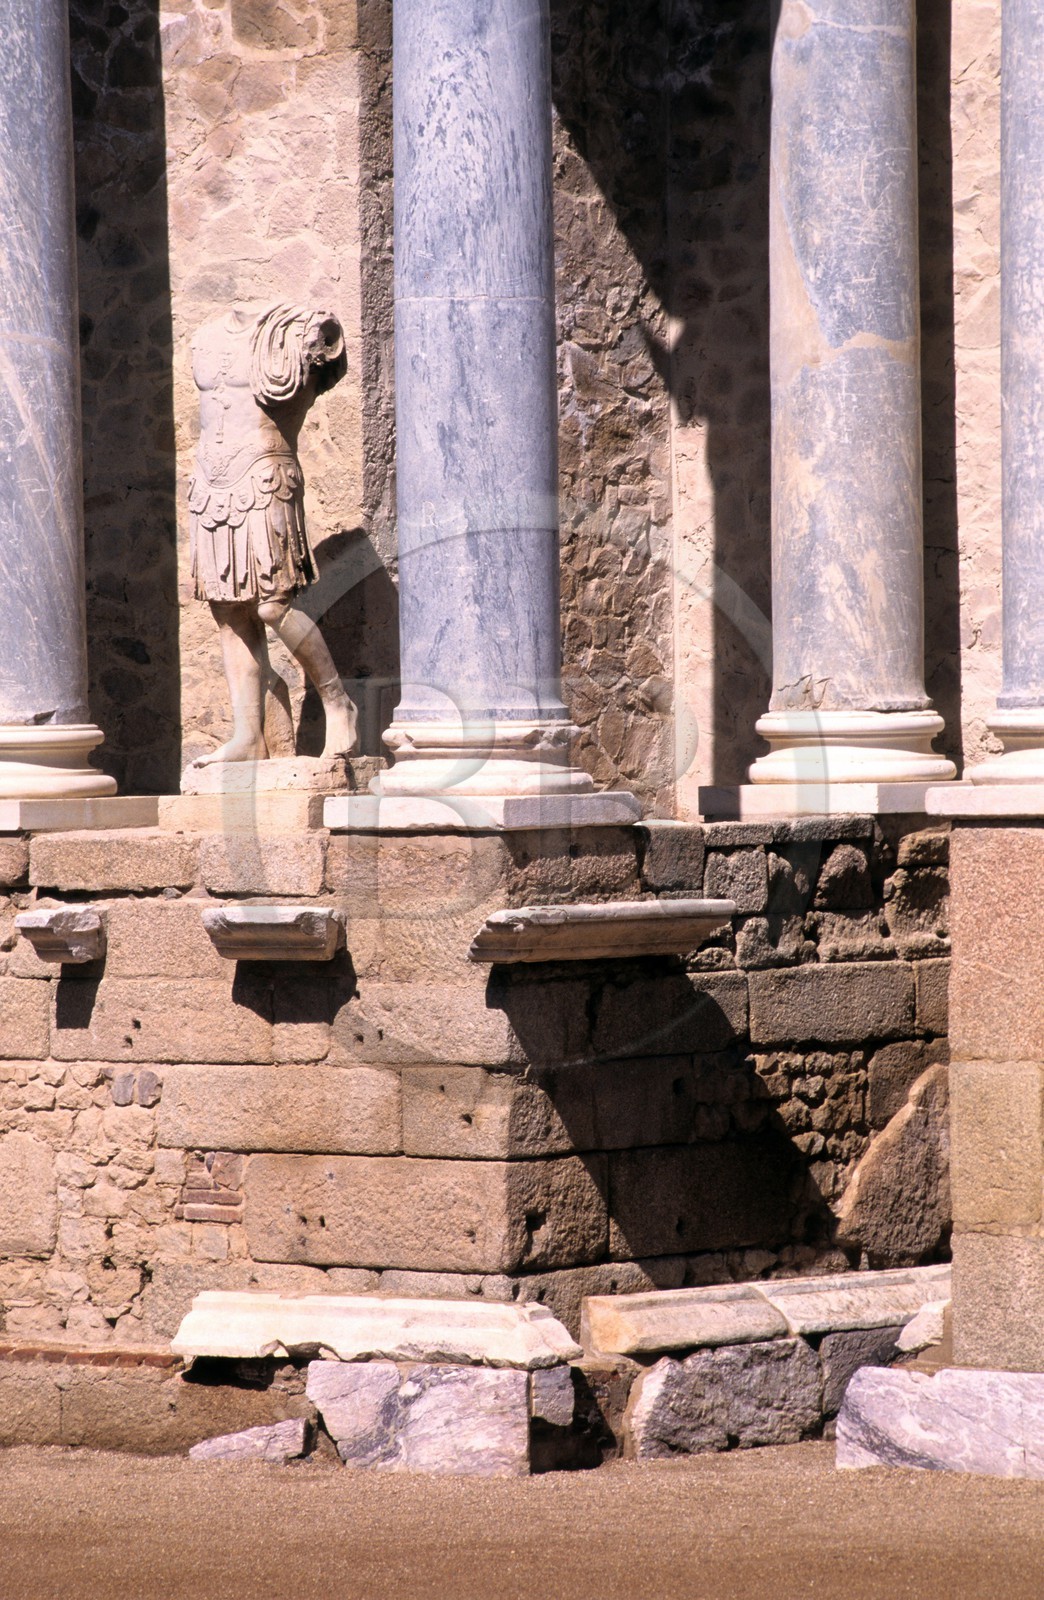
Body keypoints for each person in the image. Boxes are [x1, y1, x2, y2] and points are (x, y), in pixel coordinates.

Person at [187, 301, 357, 767]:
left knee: (273, 605)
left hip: (265, 476)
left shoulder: (298, 330)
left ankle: (338, 702)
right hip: (210, 485)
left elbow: (325, 365)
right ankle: (248, 735)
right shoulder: (204, 336)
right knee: (228, 613)